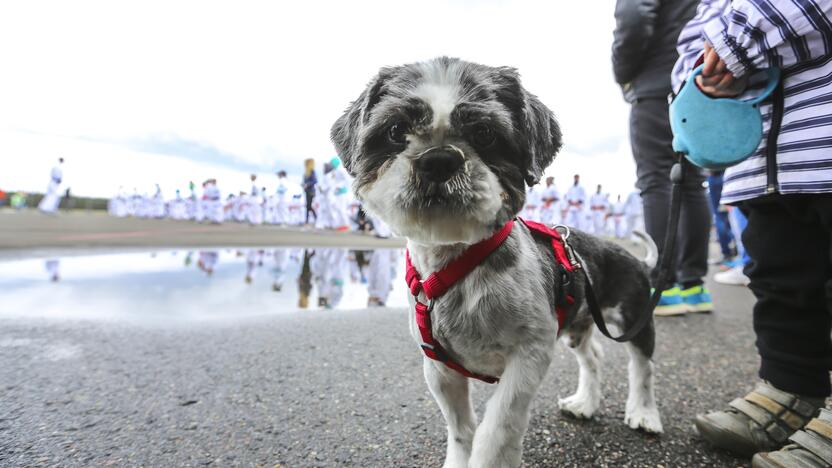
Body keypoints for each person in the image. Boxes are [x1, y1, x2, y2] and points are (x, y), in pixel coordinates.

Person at [672, 1, 832, 464]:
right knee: (780, 276)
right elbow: (690, 45)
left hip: (819, 134)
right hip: (763, 160)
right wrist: (702, 74)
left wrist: (734, 45)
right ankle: (790, 386)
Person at [612, 0, 712, 316]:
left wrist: (624, 72)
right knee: (694, 182)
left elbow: (632, 16)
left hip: (656, 82)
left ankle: (663, 287)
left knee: (656, 179)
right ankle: (694, 287)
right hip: (697, 83)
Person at [303, 158, 318, 225]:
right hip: (307, 191)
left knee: (308, 206)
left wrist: (308, 184)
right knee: (308, 206)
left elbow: (315, 181)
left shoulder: (312, 171)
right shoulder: (306, 172)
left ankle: (310, 219)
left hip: (311, 191)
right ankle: (312, 219)